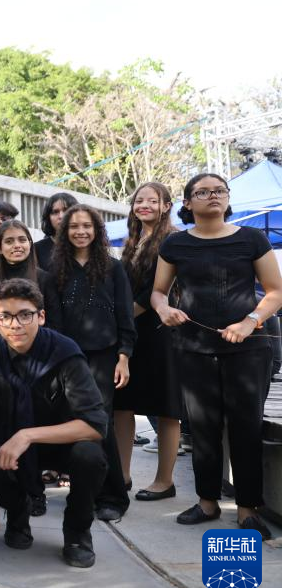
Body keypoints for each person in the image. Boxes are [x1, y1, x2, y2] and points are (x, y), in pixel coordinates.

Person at [152, 173, 281, 539]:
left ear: (227, 197)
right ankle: (207, 502)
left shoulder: (251, 239)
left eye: (219, 190)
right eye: (203, 191)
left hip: (248, 349)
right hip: (194, 347)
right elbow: (159, 292)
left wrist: (250, 321)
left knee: (246, 427)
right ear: (187, 202)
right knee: (202, 427)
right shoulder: (175, 244)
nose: (213, 196)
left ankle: (247, 509)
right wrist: (164, 309)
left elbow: (275, 291)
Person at [0, 278, 108, 568]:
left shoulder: (65, 353)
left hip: (61, 445)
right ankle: (18, 511)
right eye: (5, 316)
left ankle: (77, 532)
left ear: (41, 316)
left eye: (25, 315)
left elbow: (95, 425)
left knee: (90, 456)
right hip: (13, 450)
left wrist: (28, 435)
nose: (15, 324)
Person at [52, 204, 134, 522]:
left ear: (97, 230)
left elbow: (125, 315)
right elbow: (53, 319)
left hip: (105, 355)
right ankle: (86, 489)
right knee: (75, 421)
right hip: (68, 358)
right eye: (74, 226)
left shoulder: (113, 268)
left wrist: (124, 356)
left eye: (87, 226)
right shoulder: (56, 268)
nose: (81, 232)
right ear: (65, 232)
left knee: (100, 422)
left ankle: (113, 496)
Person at [114, 182, 182, 501]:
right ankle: (122, 475)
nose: (144, 205)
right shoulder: (133, 240)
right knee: (122, 404)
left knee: (166, 408)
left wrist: (124, 316)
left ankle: (164, 481)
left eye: (152, 201)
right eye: (139, 200)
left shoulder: (172, 239)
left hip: (160, 330)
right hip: (132, 332)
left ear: (166, 206)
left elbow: (157, 289)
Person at [0, 219, 62, 359]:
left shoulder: (45, 280)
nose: (17, 245)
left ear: (30, 244)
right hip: (0, 357)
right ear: (0, 248)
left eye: (22, 240)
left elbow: (55, 324)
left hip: (39, 355)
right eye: (9, 241)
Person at [34, 193, 78, 271]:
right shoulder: (37, 249)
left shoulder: (86, 245)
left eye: (66, 210)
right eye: (55, 212)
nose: (61, 216)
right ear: (48, 218)